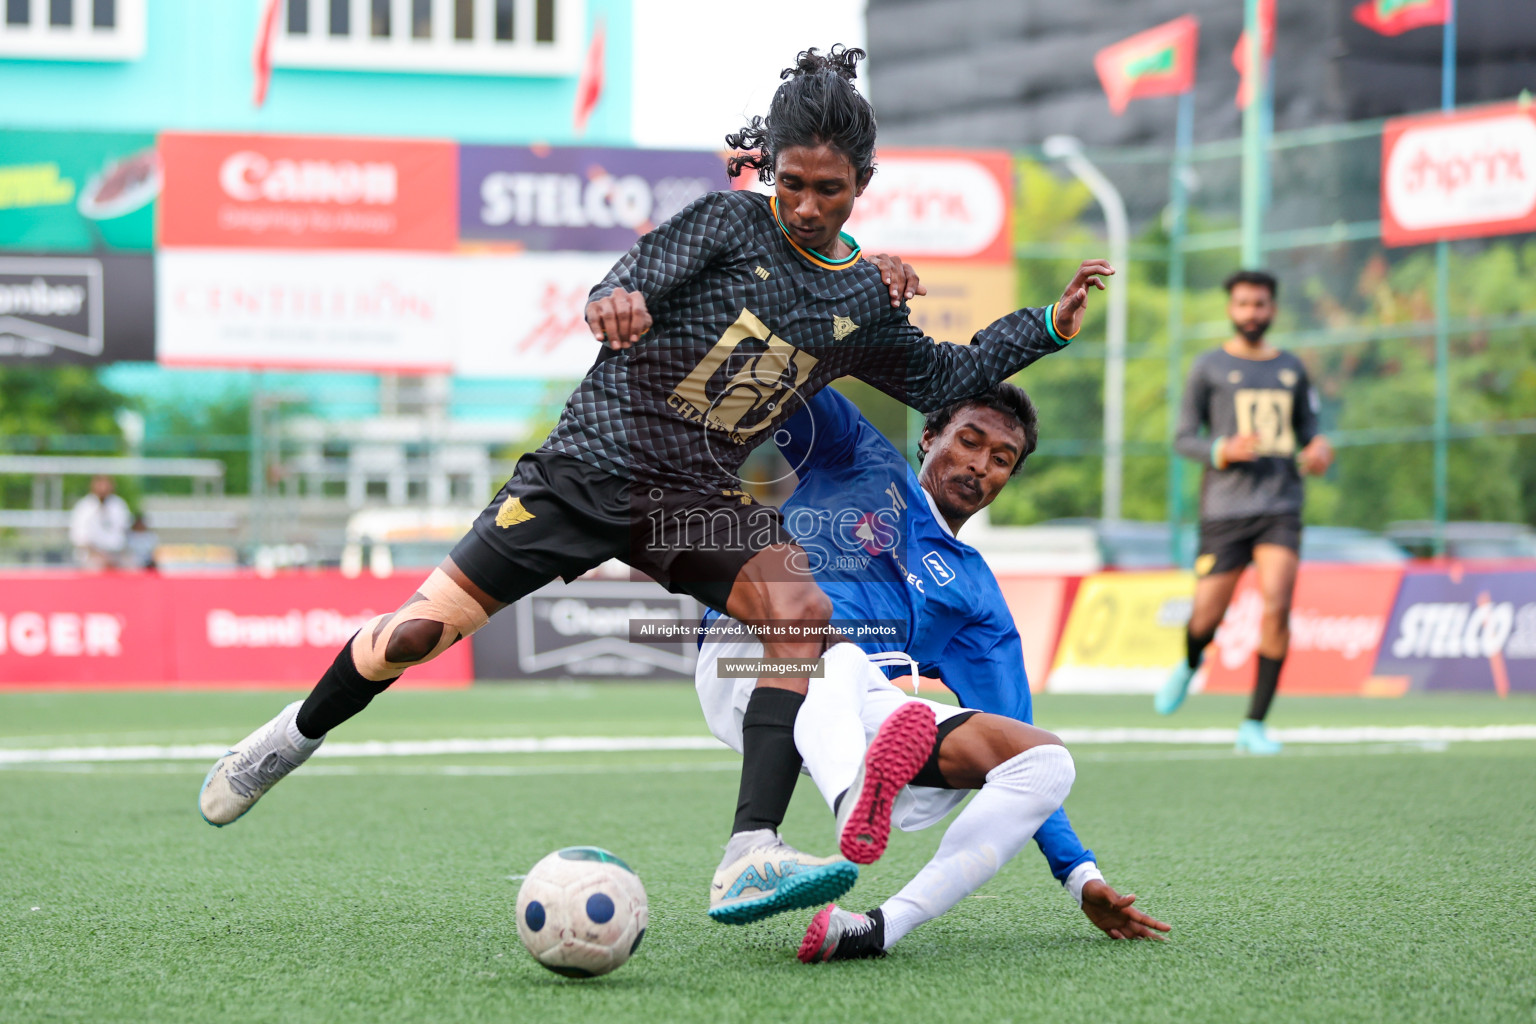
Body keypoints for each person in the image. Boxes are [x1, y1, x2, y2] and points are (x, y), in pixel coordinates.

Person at [198, 45, 1112, 927]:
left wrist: (1046, 325)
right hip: (588, 470)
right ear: (771, 170)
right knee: (412, 635)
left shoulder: (864, 302)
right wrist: (612, 300)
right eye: (790, 182)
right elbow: (628, 280)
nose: (803, 204)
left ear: (862, 184)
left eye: (826, 189)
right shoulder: (726, 223)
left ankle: (749, 852)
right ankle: (291, 737)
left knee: (798, 614)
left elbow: (944, 377)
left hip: (692, 501)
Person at [696, 384, 1169, 959]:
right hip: (756, 649)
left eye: (1001, 460)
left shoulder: (976, 597)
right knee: (838, 653)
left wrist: (1080, 875)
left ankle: (875, 929)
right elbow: (787, 377)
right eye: (968, 441)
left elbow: (1010, 724)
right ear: (928, 437)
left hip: (854, 703)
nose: (979, 465)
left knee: (1044, 761)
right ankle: (847, 802)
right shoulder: (857, 453)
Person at [1156, 269, 1333, 753]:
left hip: (1281, 505)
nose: (1252, 313)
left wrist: (1318, 451)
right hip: (1225, 510)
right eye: (1243, 304)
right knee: (1206, 617)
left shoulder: (1293, 368)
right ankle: (1192, 662)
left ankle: (1254, 724)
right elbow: (1183, 438)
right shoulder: (1208, 366)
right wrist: (1221, 450)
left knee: (1278, 602)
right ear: (1231, 309)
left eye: (1260, 304)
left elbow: (1312, 432)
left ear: (1272, 309)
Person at [69, 475, 131, 570]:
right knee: (95, 565)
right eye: (100, 484)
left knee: (132, 565)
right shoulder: (84, 507)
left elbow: (125, 533)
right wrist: (99, 555)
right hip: (91, 555)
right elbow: (80, 538)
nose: (103, 487)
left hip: (116, 554)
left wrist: (114, 555)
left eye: (106, 484)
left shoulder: (119, 505)